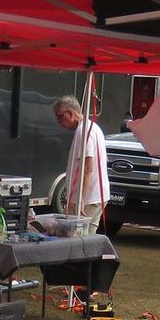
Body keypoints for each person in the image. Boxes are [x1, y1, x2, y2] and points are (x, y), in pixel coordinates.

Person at [54, 94, 108, 232]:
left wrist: (81, 199)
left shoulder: (83, 131)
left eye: (59, 117)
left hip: (88, 199)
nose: (58, 122)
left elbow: (88, 167)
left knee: (77, 237)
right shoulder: (93, 127)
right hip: (97, 195)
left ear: (70, 114)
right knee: (88, 236)